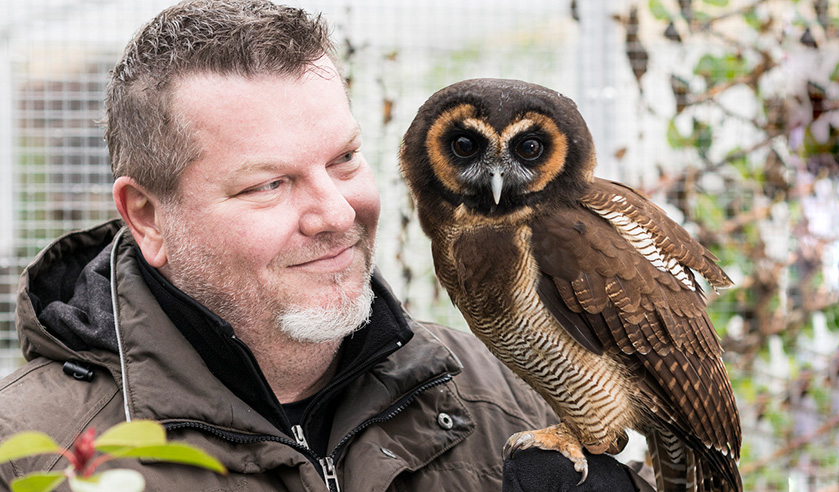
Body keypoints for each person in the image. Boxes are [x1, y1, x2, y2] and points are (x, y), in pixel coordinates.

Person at [0, 1, 649, 490]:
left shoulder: (495, 395)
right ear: (146, 216)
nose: (337, 213)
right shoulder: (33, 450)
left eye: (343, 159)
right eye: (270, 183)